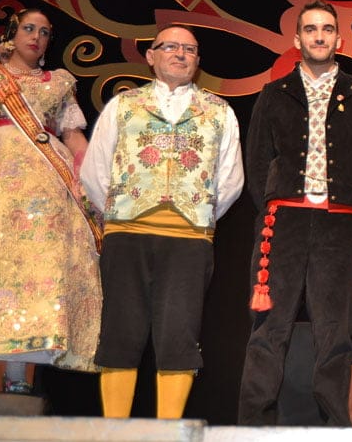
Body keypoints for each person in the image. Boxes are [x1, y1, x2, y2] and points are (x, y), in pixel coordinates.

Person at [238, 0, 352, 426]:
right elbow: (257, 161)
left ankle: (336, 425)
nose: (319, 36)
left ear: (338, 39)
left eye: (326, 29)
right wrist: (275, 201)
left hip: (339, 224)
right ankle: (252, 426)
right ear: (297, 38)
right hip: (283, 223)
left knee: (335, 331)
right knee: (268, 328)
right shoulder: (275, 94)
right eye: (311, 29)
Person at [80, 24, 244, 419]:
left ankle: (168, 431)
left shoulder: (219, 111)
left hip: (189, 239)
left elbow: (230, 179)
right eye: (170, 46)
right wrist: (121, 210)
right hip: (127, 232)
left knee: (179, 334)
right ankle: (114, 431)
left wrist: (198, 214)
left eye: (190, 49)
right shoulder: (123, 105)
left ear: (198, 61)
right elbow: (95, 169)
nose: (180, 54)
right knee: (120, 331)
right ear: (151, 56)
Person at [0, 8, 101, 392]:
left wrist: (90, 177)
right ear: (11, 35)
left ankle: (18, 379)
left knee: (38, 274)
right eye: (29, 29)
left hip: (47, 189)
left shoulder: (59, 82)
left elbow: (73, 135)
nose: (36, 37)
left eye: (45, 32)